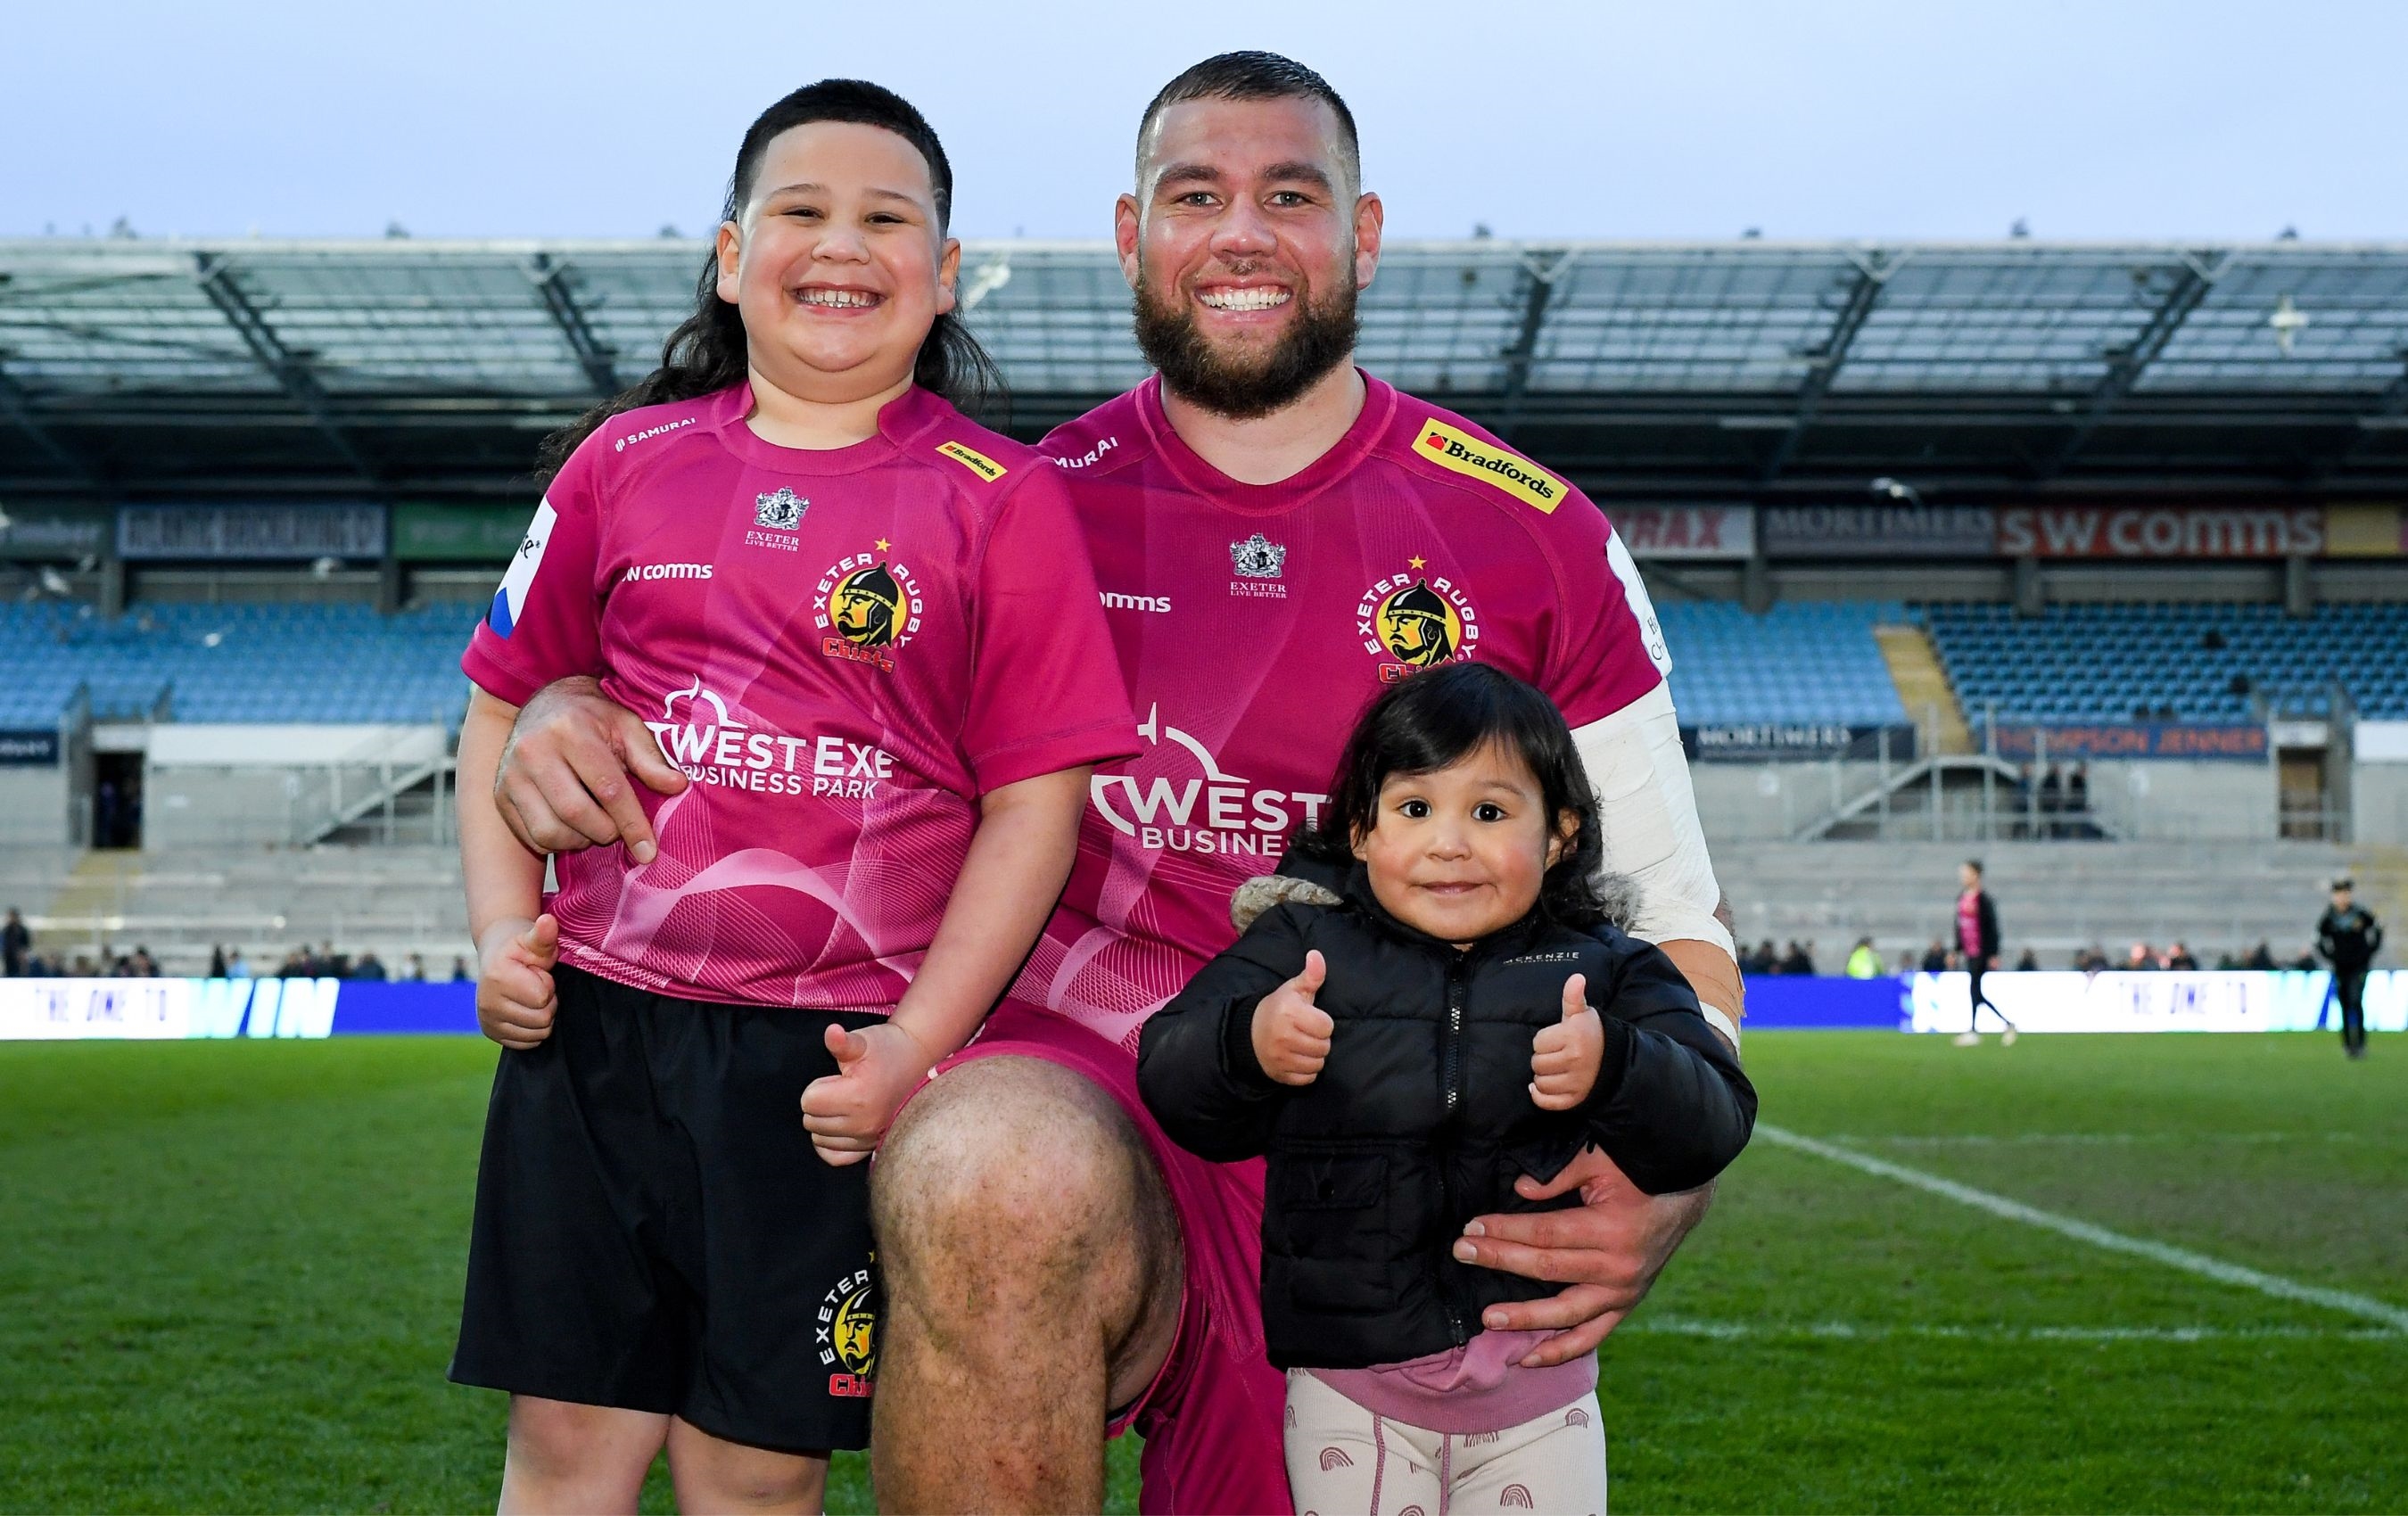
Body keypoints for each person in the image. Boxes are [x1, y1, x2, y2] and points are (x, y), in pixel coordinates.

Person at [487, 54, 1742, 1512]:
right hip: (1098, 1098)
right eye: (1195, 195)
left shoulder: (1536, 537)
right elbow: (765, 708)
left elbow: (1680, 933)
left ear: (1367, 233)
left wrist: (1674, 1167)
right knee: (984, 1172)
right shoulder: (1006, 511)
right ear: (1132, 234)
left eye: (1293, 195)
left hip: (1403, 1153)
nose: (1242, 233)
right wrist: (561, 701)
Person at [446, 81, 1134, 1514]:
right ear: (727, 253)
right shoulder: (619, 466)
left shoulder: (999, 500)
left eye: (890, 219)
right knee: (566, 1444)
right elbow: (505, 703)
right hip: (598, 1042)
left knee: (751, 1468)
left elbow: (1035, 806)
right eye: (802, 211)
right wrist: (500, 936)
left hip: (821, 1064)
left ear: (944, 275)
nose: (843, 244)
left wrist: (910, 1047)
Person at [1137, 664, 1752, 1514]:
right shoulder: (1300, 947)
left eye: (1490, 813)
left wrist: (1618, 1064)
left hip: (1542, 1390)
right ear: (1361, 830)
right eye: (1415, 809)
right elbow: (1171, 1076)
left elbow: (1714, 1122)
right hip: (1352, 1389)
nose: (1448, 842)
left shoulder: (1606, 965)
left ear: (1561, 834)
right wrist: (1248, 1045)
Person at [2316, 877, 2385, 1059]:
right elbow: (2318, 940)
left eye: (2345, 893)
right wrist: (2331, 957)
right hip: (2340, 967)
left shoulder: (2360, 914)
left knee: (2356, 1000)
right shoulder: (2329, 918)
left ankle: (2360, 1044)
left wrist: (2370, 951)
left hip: (2359, 966)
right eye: (2339, 894)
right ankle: (2348, 1045)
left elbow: (2378, 929)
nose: (2342, 898)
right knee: (2345, 1004)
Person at [1951, 860, 2016, 1046]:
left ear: (1976, 875)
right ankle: (2005, 1023)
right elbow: (1959, 928)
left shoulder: (1984, 900)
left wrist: (1994, 954)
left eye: (1966, 873)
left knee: (1975, 990)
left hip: (1981, 952)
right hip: (1969, 952)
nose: (1962, 877)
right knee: (1976, 991)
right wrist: (1956, 950)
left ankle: (1975, 1030)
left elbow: (1992, 928)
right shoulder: (1962, 898)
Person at [3, 908, 28, 977]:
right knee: (9, 972)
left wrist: (22, 953)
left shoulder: (22, 930)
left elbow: (26, 943)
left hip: (19, 956)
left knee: (20, 973)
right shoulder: (6, 930)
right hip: (8, 955)